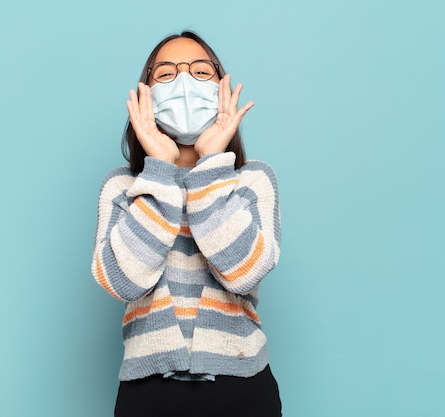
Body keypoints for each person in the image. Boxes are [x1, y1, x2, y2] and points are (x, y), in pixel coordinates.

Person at [91, 30, 282, 417]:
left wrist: (211, 164)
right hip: (146, 393)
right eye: (165, 74)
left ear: (220, 88)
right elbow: (123, 281)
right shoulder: (122, 187)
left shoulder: (253, 180)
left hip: (243, 389)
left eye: (200, 71)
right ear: (145, 95)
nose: (183, 82)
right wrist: (159, 169)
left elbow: (243, 272)